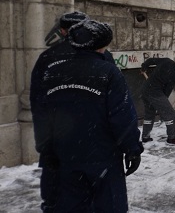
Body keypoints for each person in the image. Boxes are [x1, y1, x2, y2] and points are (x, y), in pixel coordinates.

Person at [32, 20, 143, 212]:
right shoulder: (108, 72)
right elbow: (122, 115)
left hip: (65, 154)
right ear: (101, 45)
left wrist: (46, 149)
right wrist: (132, 148)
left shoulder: (53, 72)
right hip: (102, 154)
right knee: (108, 205)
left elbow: (42, 114)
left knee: (70, 204)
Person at [30, 11, 89, 212]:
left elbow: (38, 104)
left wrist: (43, 144)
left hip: (57, 134)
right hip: (92, 135)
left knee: (55, 191)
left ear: (62, 31)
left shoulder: (47, 57)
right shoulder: (100, 56)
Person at [140, 57, 175, 144]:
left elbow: (150, 60)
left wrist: (144, 66)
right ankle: (172, 138)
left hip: (145, 89)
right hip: (155, 93)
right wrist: (163, 103)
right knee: (170, 114)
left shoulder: (167, 61)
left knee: (149, 114)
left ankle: (145, 136)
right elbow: (166, 91)